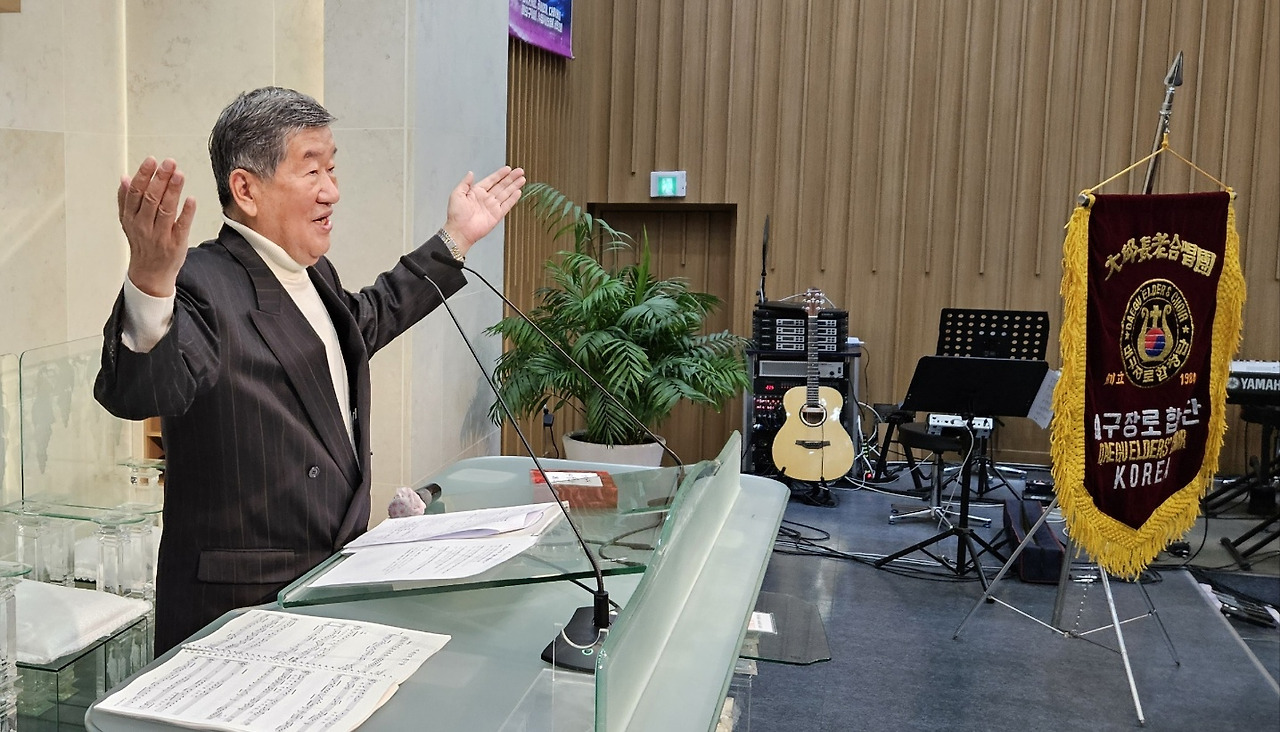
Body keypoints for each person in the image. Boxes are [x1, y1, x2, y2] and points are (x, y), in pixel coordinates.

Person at [93, 86, 524, 654]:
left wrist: (456, 239)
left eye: (333, 169)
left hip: (330, 586)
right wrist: (150, 283)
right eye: (312, 170)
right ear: (246, 189)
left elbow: (365, 321)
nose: (332, 191)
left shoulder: (312, 273)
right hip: (240, 616)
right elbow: (142, 391)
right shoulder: (200, 281)